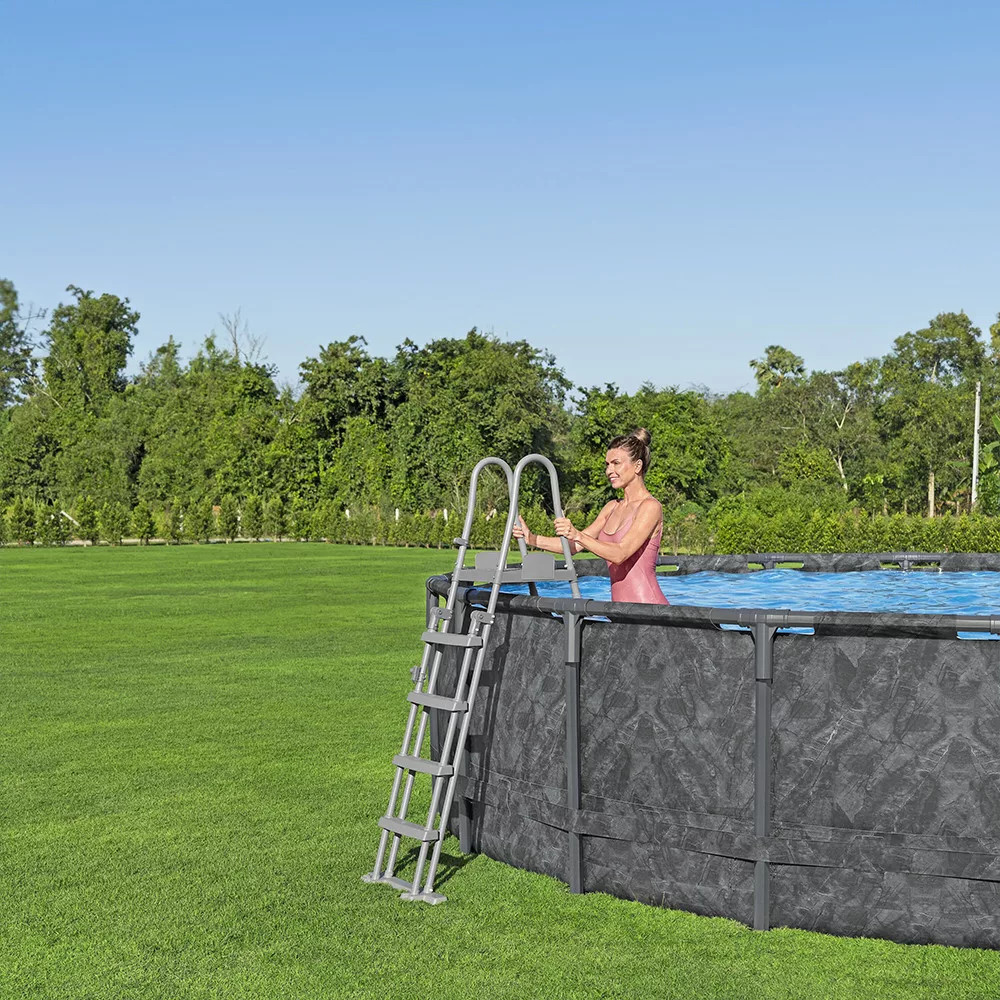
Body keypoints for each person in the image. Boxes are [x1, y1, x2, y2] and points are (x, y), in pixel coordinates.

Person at [514, 428, 669, 605]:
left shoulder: (650, 507)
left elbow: (620, 553)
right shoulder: (611, 507)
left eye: (616, 463)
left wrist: (577, 534)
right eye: (607, 464)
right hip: (618, 610)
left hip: (649, 609)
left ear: (637, 466)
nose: (609, 470)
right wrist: (531, 538)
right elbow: (575, 546)